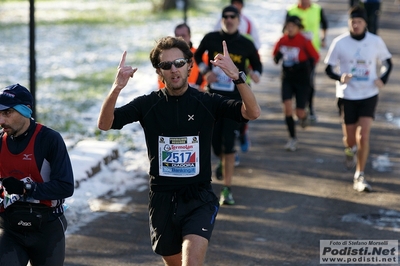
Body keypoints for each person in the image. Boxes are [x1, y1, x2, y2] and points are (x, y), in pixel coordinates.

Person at [97, 37, 261, 265]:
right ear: (159, 72)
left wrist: (237, 77)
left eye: (179, 63)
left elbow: (252, 112)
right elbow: (105, 124)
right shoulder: (148, 104)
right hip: (163, 200)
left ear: (190, 65)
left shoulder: (206, 102)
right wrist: (117, 87)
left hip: (198, 197)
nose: (174, 69)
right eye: (166, 65)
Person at [194, 5, 262, 205]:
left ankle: (227, 189)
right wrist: (206, 71)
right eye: (225, 16)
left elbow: (257, 64)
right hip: (213, 98)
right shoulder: (211, 38)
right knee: (215, 143)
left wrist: (255, 74)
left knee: (228, 144)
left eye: (233, 16)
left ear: (239, 20)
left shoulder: (246, 44)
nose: (229, 19)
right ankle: (223, 162)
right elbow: (197, 56)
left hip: (235, 101)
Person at [0, 84, 74, 266]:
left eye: (7, 113)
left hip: (47, 230)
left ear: (26, 111)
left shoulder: (49, 139)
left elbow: (66, 186)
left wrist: (26, 188)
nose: (1, 120)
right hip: (11, 229)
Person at [324, 6, 392, 192]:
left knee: (364, 135)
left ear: (365, 24)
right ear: (349, 23)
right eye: (352, 22)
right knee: (351, 138)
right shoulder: (340, 42)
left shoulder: (375, 41)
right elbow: (328, 68)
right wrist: (340, 77)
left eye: (359, 22)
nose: (355, 25)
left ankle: (360, 174)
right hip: (348, 95)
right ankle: (349, 150)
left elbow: (387, 63)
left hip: (368, 93)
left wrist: (382, 78)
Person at [273, 16, 319, 151]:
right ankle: (292, 138)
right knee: (287, 108)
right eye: (288, 26)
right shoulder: (282, 40)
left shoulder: (304, 40)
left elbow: (315, 57)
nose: (290, 28)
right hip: (287, 78)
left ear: (299, 28)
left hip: (302, 80)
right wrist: (278, 57)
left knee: (299, 113)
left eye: (293, 26)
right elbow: (275, 57)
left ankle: (304, 115)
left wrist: (305, 65)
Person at [286, 0, 328, 121]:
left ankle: (309, 107)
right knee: (293, 80)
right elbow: (285, 29)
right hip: (294, 53)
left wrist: (323, 38)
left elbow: (324, 24)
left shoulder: (317, 9)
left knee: (309, 80)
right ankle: (296, 106)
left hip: (311, 52)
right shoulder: (291, 10)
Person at [158, 23, 206, 90]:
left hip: (198, 95)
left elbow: (208, 78)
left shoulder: (201, 55)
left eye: (183, 36)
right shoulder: (167, 56)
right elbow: (162, 79)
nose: (180, 39)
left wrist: (202, 89)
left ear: (190, 36)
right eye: (177, 36)